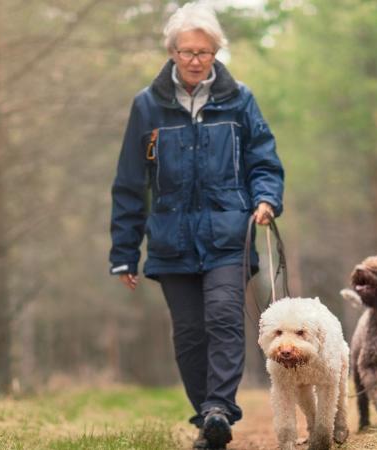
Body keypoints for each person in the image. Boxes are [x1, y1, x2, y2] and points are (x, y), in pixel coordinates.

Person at [108, 2, 283, 449]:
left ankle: (219, 408)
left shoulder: (239, 99)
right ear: (172, 52)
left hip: (229, 235)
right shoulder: (146, 107)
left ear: (215, 53)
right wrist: (125, 252)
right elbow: (130, 184)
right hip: (171, 241)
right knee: (188, 333)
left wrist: (266, 198)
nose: (195, 60)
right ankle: (208, 420)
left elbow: (264, 158)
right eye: (186, 52)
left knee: (224, 318)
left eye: (204, 53)